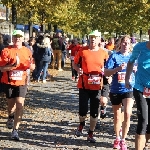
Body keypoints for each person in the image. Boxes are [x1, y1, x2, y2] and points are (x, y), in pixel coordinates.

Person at [73, 30, 109, 143]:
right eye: (91, 37)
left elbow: (108, 69)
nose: (93, 39)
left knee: (94, 111)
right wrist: (77, 69)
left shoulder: (104, 53)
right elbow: (74, 63)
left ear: (99, 40)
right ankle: (81, 124)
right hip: (84, 84)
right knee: (83, 109)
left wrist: (109, 76)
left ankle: (90, 133)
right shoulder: (82, 51)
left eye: (95, 37)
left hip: (98, 85)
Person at [0, 30, 35, 140]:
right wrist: (12, 66)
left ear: (23, 39)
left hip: (22, 82)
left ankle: (15, 130)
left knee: (19, 104)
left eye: (19, 37)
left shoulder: (27, 51)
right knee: (11, 105)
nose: (17, 38)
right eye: (15, 36)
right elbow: (1, 68)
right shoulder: (6, 50)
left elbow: (32, 65)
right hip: (9, 81)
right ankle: (10, 116)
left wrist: (32, 67)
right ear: (12, 38)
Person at [104, 35, 136, 149]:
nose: (126, 44)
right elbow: (106, 72)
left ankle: (123, 139)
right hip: (116, 89)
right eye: (124, 42)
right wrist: (117, 69)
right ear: (120, 44)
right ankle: (117, 138)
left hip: (129, 89)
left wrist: (136, 70)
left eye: (128, 43)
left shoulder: (133, 57)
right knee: (117, 116)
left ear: (130, 44)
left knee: (127, 113)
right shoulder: (114, 56)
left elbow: (141, 71)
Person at [125, 30, 150, 150]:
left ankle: (144, 144)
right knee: (143, 120)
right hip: (140, 88)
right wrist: (127, 79)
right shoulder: (140, 47)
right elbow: (130, 62)